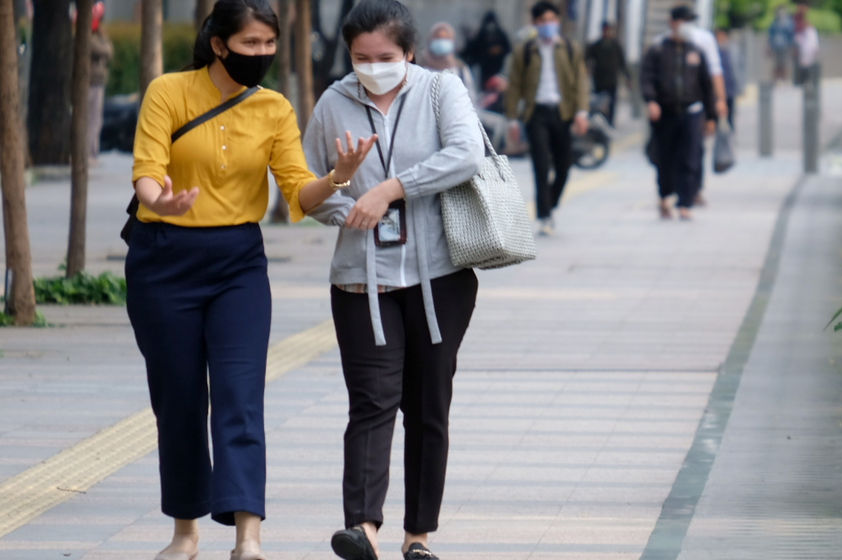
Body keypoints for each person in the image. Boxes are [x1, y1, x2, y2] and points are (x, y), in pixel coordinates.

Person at [126, 1, 375, 559]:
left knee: (240, 397)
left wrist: (337, 177)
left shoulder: (274, 109)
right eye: (250, 44)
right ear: (219, 44)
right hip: (163, 259)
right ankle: (185, 534)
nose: (261, 54)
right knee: (180, 399)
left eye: (269, 44)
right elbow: (146, 169)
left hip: (237, 262)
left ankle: (249, 538)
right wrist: (161, 202)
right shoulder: (167, 92)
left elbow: (299, 194)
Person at [300, 1, 484, 559]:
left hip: (441, 279)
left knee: (429, 407)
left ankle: (418, 536)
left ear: (409, 52)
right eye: (361, 57)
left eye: (385, 57)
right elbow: (310, 187)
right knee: (371, 402)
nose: (372, 66)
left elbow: (466, 154)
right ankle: (364, 529)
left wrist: (389, 189)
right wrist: (347, 198)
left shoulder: (439, 90)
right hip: (363, 280)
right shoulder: (334, 102)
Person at [505, 1, 589, 236]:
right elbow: (514, 86)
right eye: (543, 21)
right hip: (536, 114)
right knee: (541, 166)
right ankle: (544, 215)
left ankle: (549, 203)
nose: (548, 25)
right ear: (535, 23)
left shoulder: (571, 49)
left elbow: (581, 82)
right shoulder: (525, 51)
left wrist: (582, 112)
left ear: (558, 22)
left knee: (564, 165)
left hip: (562, 114)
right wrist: (512, 119)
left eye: (552, 20)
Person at [641, 5, 717, 221]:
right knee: (664, 157)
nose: (687, 27)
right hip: (665, 113)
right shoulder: (657, 51)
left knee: (690, 157)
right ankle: (665, 195)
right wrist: (651, 101)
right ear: (672, 22)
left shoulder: (696, 51)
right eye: (684, 21)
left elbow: (706, 86)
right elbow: (646, 79)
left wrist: (711, 116)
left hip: (692, 112)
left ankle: (685, 202)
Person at [585, 20, 630, 127]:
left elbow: (622, 63)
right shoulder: (596, 45)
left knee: (611, 104)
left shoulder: (616, 46)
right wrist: (587, 70)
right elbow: (586, 59)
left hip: (612, 81)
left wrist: (628, 78)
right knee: (598, 104)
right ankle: (599, 122)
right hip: (599, 80)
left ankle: (609, 123)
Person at [418, 22, 477, 103]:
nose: (442, 42)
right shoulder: (419, 69)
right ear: (430, 40)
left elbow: (471, 98)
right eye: (438, 38)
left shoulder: (461, 70)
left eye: (446, 38)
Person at [87, 1, 112, 161]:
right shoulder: (86, 35)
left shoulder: (100, 35)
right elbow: (98, 49)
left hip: (98, 81)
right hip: (88, 82)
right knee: (88, 118)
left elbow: (109, 50)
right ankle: (87, 152)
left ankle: (93, 151)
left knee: (96, 119)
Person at [461, 10, 511, 90]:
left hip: (498, 68)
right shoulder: (482, 33)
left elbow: (508, 48)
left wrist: (497, 50)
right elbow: (474, 49)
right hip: (484, 68)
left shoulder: (500, 34)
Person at [714, 27, 740, 130]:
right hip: (718, 89)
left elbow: (738, 69)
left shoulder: (732, 49)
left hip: (729, 87)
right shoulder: (714, 50)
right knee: (716, 114)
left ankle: (730, 137)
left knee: (730, 114)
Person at [793, 6, 820, 88]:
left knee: (809, 67)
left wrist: (815, 48)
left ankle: (809, 82)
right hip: (802, 50)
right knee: (803, 67)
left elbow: (813, 40)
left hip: (808, 50)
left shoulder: (810, 28)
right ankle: (803, 82)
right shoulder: (800, 29)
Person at [768, 5, 794, 82]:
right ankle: (776, 80)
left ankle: (784, 80)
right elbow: (771, 35)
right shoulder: (774, 23)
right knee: (776, 64)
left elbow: (791, 35)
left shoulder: (789, 23)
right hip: (776, 47)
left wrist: (791, 47)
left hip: (785, 46)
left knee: (784, 63)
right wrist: (769, 46)